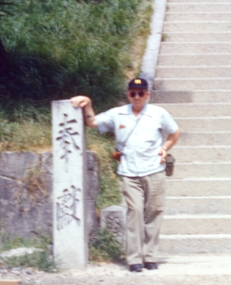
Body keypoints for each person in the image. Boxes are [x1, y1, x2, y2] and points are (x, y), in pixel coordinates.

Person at [71, 78, 180, 273]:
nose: (137, 97)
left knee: (154, 213)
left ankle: (150, 256)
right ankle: (134, 259)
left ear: (147, 95)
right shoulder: (117, 113)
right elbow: (93, 123)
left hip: (154, 169)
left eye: (141, 93)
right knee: (135, 212)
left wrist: (165, 148)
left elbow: (174, 132)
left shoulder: (158, 113)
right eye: (133, 93)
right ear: (128, 95)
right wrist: (87, 103)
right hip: (129, 172)